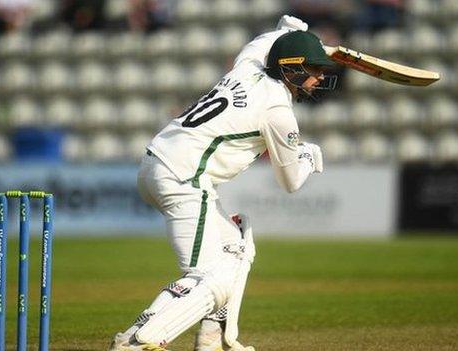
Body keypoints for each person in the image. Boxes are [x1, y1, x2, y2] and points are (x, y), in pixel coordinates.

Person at [109, 15, 337, 351]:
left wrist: (291, 29)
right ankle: (136, 342)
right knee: (206, 278)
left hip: (157, 162)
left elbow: (265, 41)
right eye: (315, 69)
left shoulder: (248, 65)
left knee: (237, 246)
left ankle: (213, 339)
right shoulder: (277, 112)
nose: (320, 77)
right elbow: (290, 182)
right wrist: (309, 156)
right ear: (293, 68)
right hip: (183, 178)